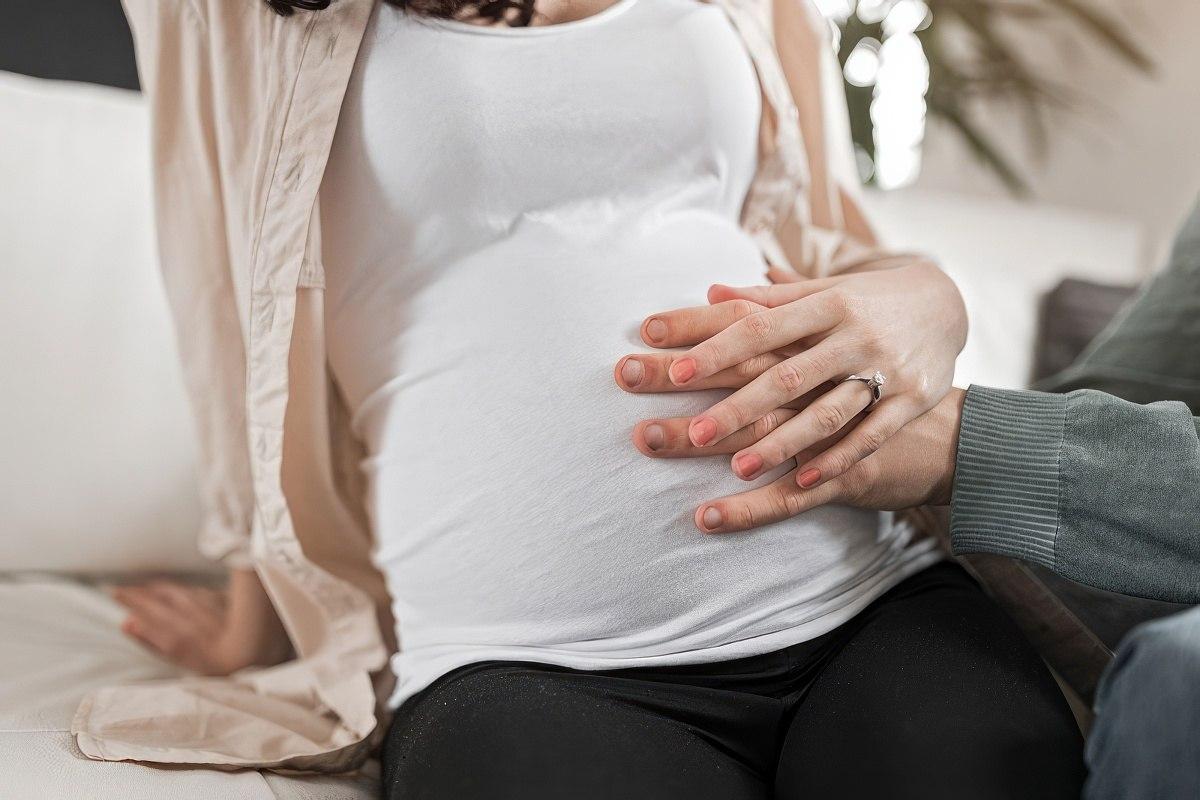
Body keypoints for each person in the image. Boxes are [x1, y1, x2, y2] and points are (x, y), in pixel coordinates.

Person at [97, 0, 1085, 796]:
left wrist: (934, 298)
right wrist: (253, 601)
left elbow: (827, 242)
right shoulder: (240, 18)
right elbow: (220, 297)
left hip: (866, 598)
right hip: (522, 666)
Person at [636, 195, 1200, 799]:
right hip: (599, 658)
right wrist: (930, 296)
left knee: (1179, 677)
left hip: (880, 604)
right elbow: (1116, 399)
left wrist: (967, 441)